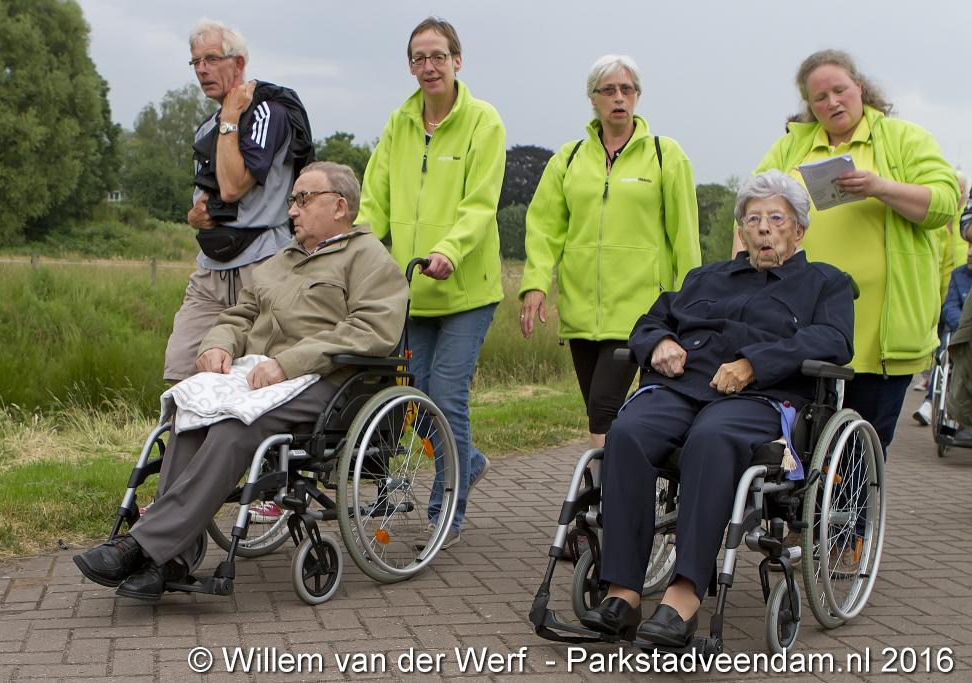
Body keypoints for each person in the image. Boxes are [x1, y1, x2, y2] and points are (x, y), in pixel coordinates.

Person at [74, 162, 408, 601]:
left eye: (303, 199)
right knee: (192, 415)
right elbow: (240, 314)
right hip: (260, 374)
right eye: (292, 200)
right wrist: (218, 344)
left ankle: (141, 546)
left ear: (340, 206)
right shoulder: (281, 260)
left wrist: (289, 363)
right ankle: (170, 559)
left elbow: (371, 330)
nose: (292, 210)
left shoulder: (370, 260)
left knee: (235, 427)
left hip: (327, 383)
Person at [580, 171, 854, 645]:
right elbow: (650, 320)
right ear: (741, 230)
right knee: (627, 432)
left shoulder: (824, 283)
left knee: (711, 437)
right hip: (681, 389)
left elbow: (833, 339)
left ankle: (683, 597)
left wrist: (754, 363)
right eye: (753, 219)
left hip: (760, 396)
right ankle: (623, 592)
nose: (764, 228)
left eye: (776, 219)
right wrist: (659, 342)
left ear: (799, 230)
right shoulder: (705, 277)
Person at [737, 49, 959, 458]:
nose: (832, 102)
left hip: (879, 333)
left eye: (840, 90)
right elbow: (750, 206)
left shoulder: (904, 138)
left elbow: (944, 204)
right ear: (809, 104)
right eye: (819, 97)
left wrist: (880, 187)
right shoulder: (791, 146)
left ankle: (852, 504)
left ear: (859, 87)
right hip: (798, 325)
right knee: (796, 444)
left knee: (860, 450)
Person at [357, 17, 506, 549]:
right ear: (410, 66)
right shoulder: (398, 124)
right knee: (414, 402)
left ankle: (446, 513)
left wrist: (449, 250)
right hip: (412, 292)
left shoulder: (483, 122)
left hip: (465, 289)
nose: (429, 66)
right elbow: (374, 200)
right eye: (419, 58)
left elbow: (479, 204)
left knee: (446, 395)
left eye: (438, 56)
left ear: (457, 61)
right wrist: (353, 252)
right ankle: (468, 462)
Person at [518, 54, 700, 452]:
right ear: (592, 98)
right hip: (581, 312)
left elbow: (685, 238)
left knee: (603, 409)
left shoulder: (666, 155)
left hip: (639, 312)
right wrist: (535, 283)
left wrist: (692, 308)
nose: (619, 97)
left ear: (637, 96)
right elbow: (545, 229)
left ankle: (605, 487)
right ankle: (625, 474)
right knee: (600, 411)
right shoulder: (567, 159)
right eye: (609, 90)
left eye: (627, 89)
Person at [164, 18, 314, 384]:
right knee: (182, 367)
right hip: (211, 269)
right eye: (196, 61)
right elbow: (201, 203)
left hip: (262, 265)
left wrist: (231, 117)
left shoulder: (268, 113)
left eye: (212, 59)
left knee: (253, 376)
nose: (202, 69)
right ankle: (185, 425)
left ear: (239, 63)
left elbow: (232, 187)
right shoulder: (206, 127)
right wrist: (194, 217)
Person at [914, 172, 972, 425]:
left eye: (958, 190)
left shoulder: (962, 224)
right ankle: (933, 400)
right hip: (941, 294)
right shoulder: (936, 223)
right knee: (942, 350)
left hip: (959, 289)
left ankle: (936, 402)